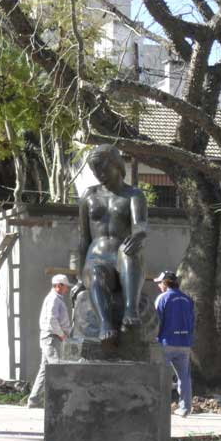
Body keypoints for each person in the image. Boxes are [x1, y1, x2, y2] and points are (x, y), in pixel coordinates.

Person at [72, 144, 148, 344]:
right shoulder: (88, 196)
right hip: (96, 257)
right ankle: (106, 324)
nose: (99, 174)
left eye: (102, 167)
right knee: (96, 274)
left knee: (128, 252)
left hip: (123, 257)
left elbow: (140, 225)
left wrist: (139, 235)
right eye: (95, 170)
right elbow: (83, 238)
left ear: (116, 164)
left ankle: (131, 312)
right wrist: (80, 278)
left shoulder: (134, 195)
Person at [27, 274, 72, 408]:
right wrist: (62, 334)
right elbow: (52, 319)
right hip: (51, 338)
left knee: (45, 369)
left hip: (51, 337)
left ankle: (33, 400)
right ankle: (60, 401)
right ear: (58, 286)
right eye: (65, 287)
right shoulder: (54, 299)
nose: (67, 289)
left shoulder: (56, 298)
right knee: (57, 367)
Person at [154, 270, 195, 417]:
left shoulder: (162, 298)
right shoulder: (188, 299)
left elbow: (156, 322)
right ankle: (185, 409)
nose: (159, 285)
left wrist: (154, 339)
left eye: (159, 283)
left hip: (166, 342)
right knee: (184, 377)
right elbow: (192, 322)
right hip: (184, 344)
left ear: (165, 283)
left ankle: (161, 408)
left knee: (162, 376)